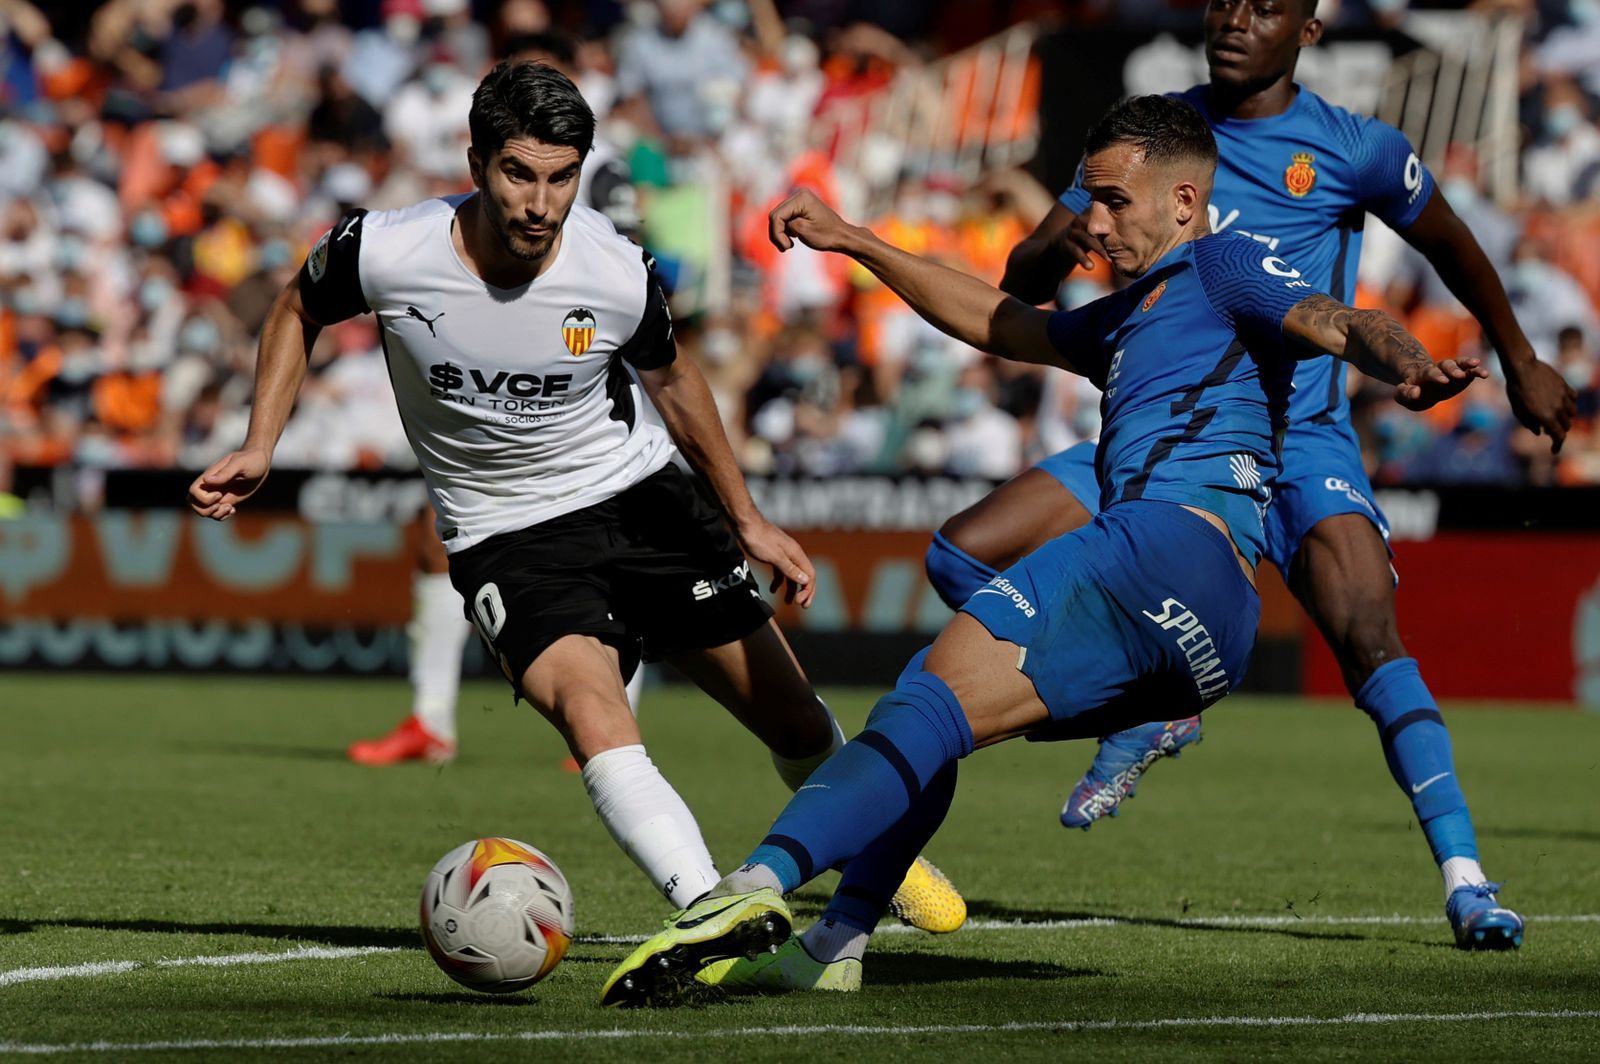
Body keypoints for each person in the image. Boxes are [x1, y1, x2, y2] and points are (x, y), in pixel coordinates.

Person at [598, 95, 1485, 1007]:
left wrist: (1408, 361)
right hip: (1213, 631)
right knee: (941, 730)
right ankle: (834, 944)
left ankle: (750, 891)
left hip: (1159, 547)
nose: (1091, 226)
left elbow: (1337, 320)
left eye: (1113, 202)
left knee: (923, 707)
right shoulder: (1130, 315)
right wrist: (859, 241)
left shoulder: (1225, 264)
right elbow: (997, 320)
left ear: (1184, 202)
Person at [188, 60, 963, 932]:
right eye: (520, 173)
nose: (541, 202)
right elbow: (297, 306)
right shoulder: (387, 248)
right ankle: (709, 907)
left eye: (563, 177)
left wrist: (747, 519)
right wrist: (261, 443)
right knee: (590, 707)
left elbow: (675, 385)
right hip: (504, 531)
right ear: (476, 160)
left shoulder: (615, 269)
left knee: (790, 716)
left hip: (641, 498)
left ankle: (879, 850)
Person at [924, 0, 1572, 948]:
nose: (1234, 19)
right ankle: (1151, 698)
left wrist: (1518, 358)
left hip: (1299, 437)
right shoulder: (1150, 140)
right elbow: (1021, 290)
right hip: (1162, 433)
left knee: (1369, 635)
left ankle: (1468, 881)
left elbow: (1450, 240)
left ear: (1306, 32)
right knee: (957, 553)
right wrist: (1049, 249)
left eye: (1265, 6)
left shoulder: (1352, 147)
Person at [347, 31, 644, 770]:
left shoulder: (599, 172)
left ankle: (610, 723)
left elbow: (626, 278)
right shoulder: (496, 169)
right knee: (431, 534)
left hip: (592, 390)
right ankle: (431, 720)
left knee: (619, 553)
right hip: (492, 386)